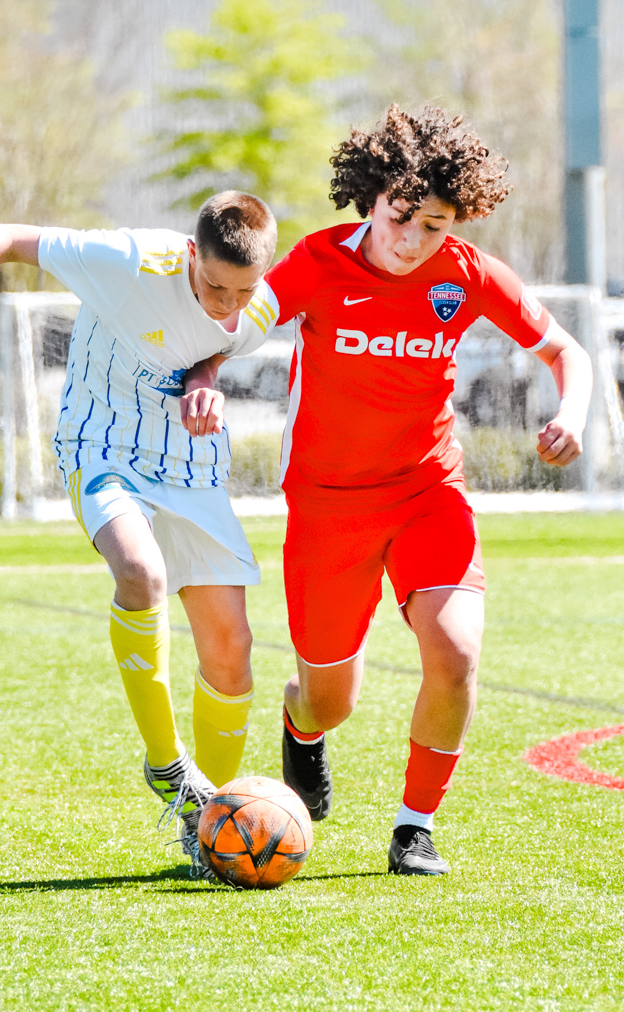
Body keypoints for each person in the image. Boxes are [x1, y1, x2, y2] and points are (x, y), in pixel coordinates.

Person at [205, 106, 593, 875]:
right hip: (327, 505)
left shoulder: (468, 275)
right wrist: (205, 376)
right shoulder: (317, 261)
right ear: (373, 198)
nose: (411, 240)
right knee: (332, 699)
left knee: (454, 652)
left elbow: (564, 350)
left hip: (427, 492)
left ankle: (414, 827)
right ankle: (302, 725)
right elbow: (235, 326)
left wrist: (571, 410)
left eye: (435, 225)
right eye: (400, 216)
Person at [0, 191, 279, 875]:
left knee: (232, 648)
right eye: (213, 286)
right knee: (140, 573)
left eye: (242, 290)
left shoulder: (254, 306)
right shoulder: (128, 259)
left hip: (192, 461)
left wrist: (208, 377)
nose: (226, 303)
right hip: (104, 446)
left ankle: (208, 825)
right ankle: (167, 765)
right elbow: (1, 233)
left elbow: (219, 346)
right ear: (188, 255)